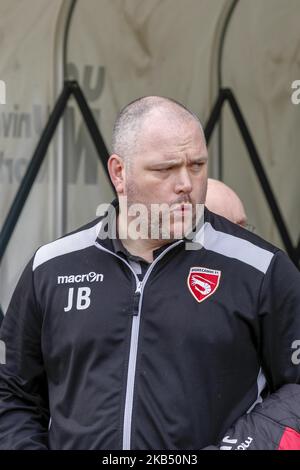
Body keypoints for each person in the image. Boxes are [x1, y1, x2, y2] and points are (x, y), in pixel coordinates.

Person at [0, 96, 300, 450]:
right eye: (165, 169)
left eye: (198, 165)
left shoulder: (261, 267)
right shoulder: (51, 267)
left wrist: (242, 447)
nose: (186, 183)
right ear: (119, 173)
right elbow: (13, 391)